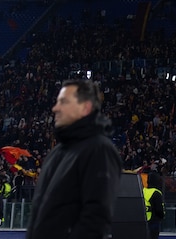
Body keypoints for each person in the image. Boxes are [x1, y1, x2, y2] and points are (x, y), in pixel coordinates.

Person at [25, 78, 123, 239]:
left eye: (63, 102)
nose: (55, 108)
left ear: (85, 108)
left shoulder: (99, 150)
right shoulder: (58, 152)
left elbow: (96, 218)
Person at [143, 171, 165, 239]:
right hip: (153, 222)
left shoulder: (143, 191)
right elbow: (159, 210)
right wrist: (162, 216)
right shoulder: (156, 192)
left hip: (142, 221)